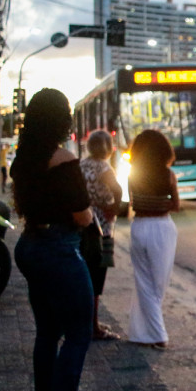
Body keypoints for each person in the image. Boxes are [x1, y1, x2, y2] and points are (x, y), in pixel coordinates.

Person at [10, 88, 94, 391]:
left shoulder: (24, 158)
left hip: (30, 245)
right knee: (78, 333)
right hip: (59, 249)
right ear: (62, 119)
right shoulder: (63, 159)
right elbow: (83, 215)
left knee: (46, 332)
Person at [127, 129, 179, 350]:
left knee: (144, 282)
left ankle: (142, 333)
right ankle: (158, 335)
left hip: (139, 227)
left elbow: (132, 203)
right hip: (162, 228)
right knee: (158, 285)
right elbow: (175, 205)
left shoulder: (133, 174)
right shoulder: (169, 174)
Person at [80, 130, 123, 341]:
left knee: (86, 272)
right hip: (101, 225)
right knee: (98, 273)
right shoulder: (104, 167)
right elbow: (117, 189)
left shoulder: (82, 165)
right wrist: (114, 208)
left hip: (83, 222)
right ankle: (94, 326)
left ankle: (87, 321)